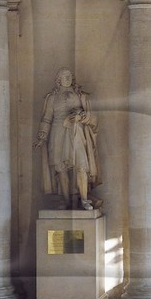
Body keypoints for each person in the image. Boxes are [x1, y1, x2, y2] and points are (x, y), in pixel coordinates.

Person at [35, 68, 100, 210]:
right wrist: (42, 135)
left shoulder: (80, 95)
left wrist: (81, 117)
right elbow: (47, 118)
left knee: (81, 166)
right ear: (58, 79)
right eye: (64, 76)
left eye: (70, 76)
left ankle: (84, 199)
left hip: (76, 132)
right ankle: (65, 201)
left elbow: (92, 116)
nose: (68, 78)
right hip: (57, 132)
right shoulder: (52, 98)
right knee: (61, 168)